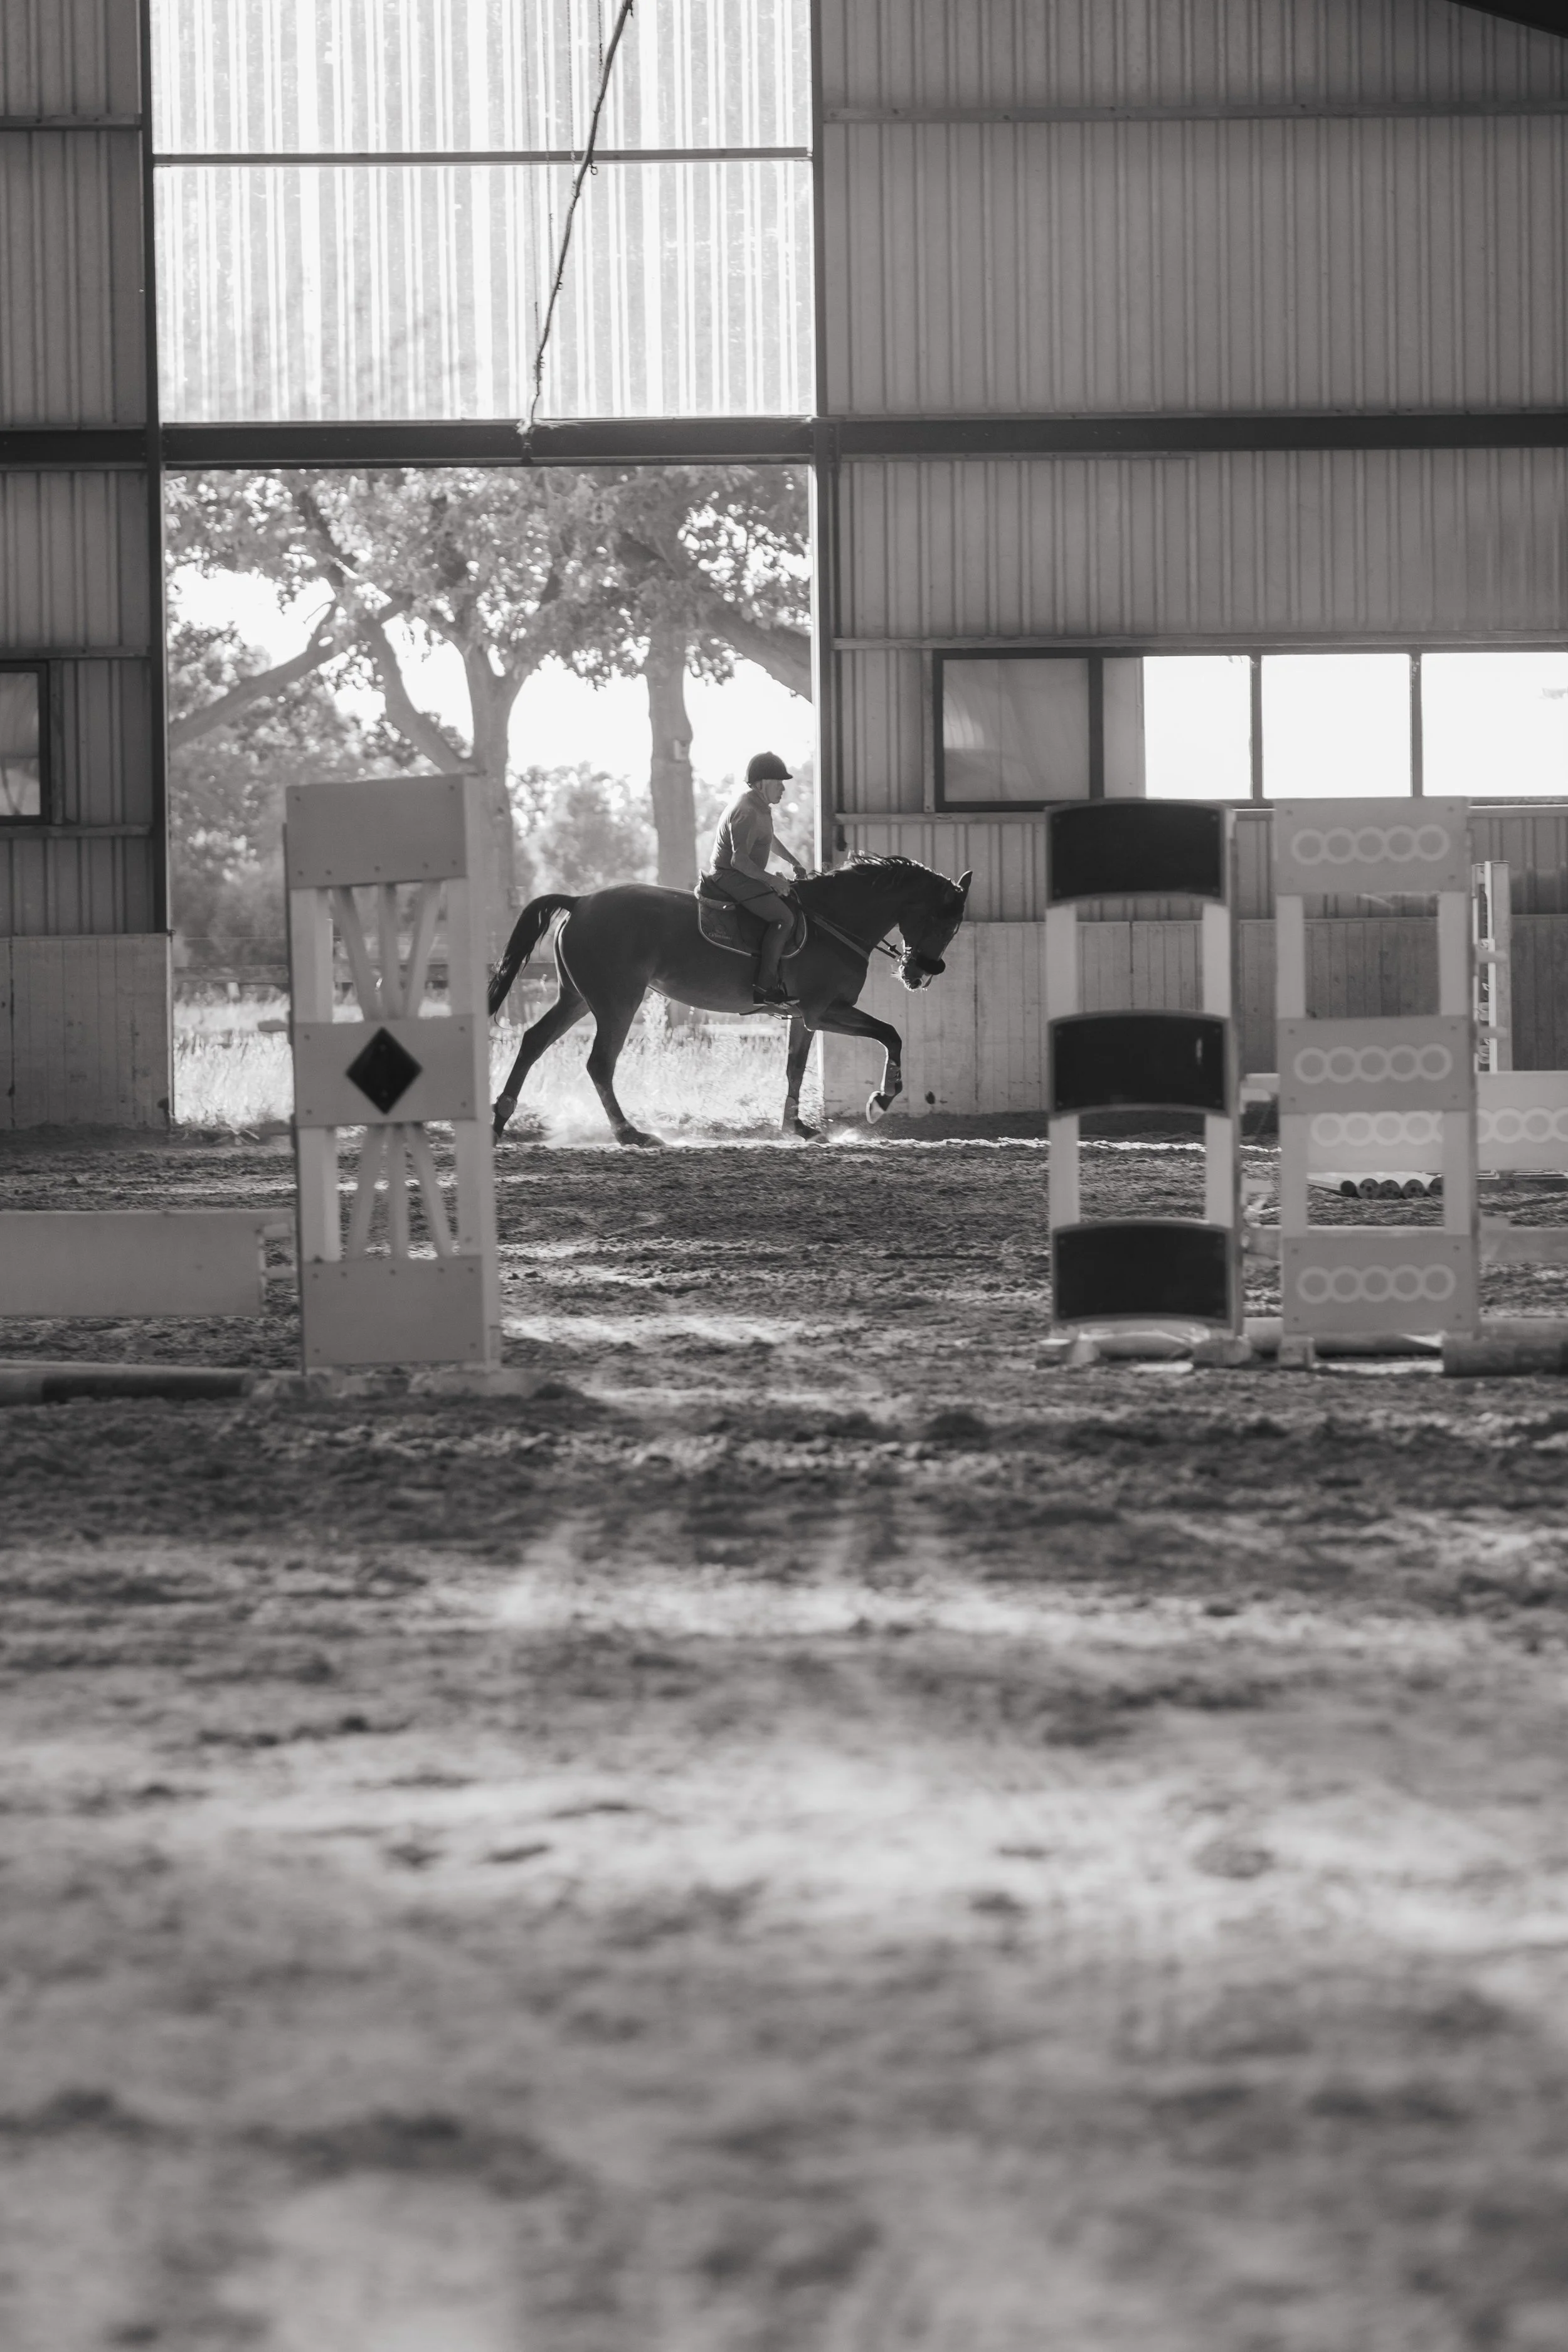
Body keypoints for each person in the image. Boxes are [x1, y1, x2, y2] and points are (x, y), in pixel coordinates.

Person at [702, 751, 810, 1004]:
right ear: (761, 784)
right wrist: (772, 880)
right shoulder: (747, 812)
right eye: (778, 782)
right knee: (784, 918)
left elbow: (768, 840)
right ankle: (764, 987)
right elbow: (738, 861)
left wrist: (794, 862)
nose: (783, 789)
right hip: (730, 876)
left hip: (739, 874)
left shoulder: (760, 807)